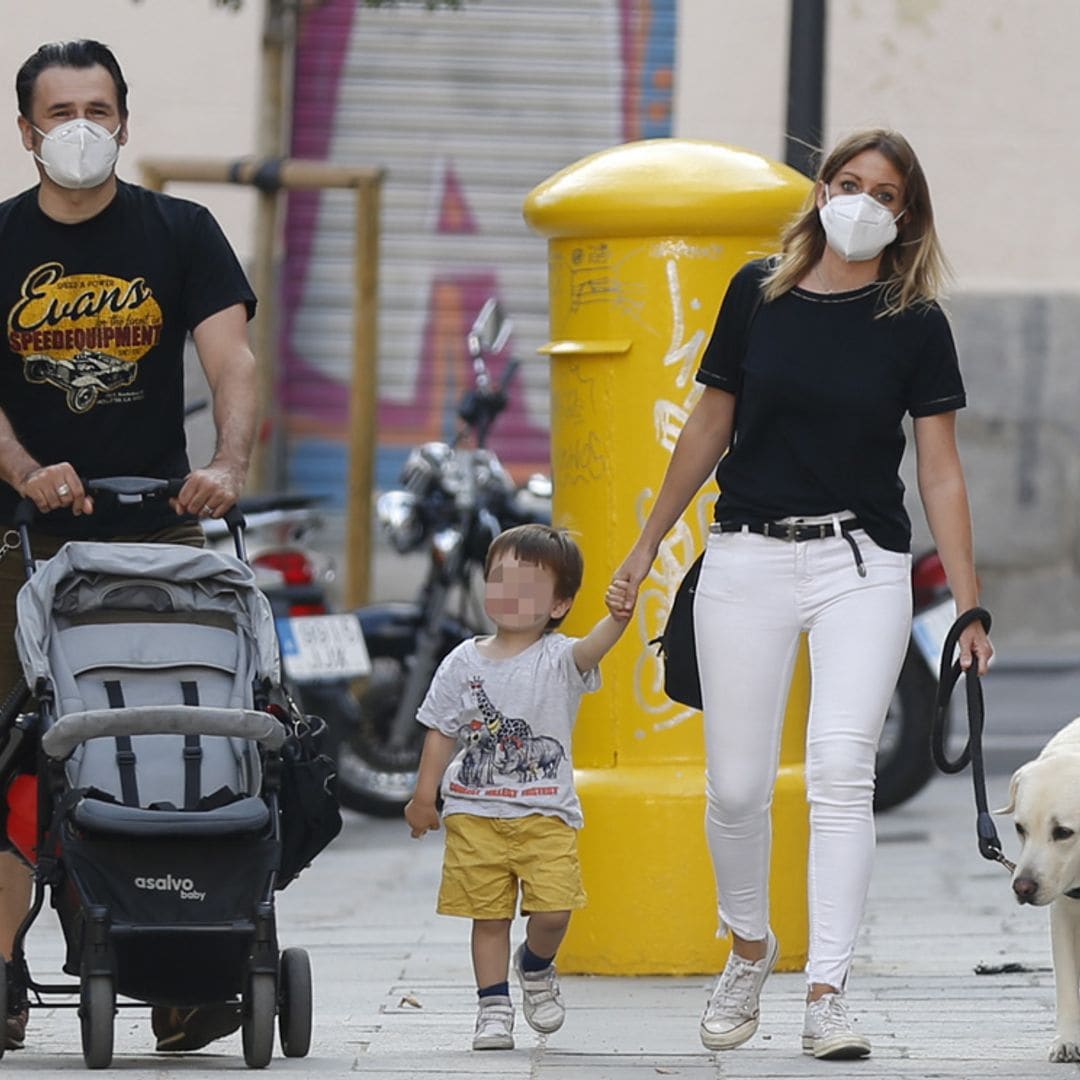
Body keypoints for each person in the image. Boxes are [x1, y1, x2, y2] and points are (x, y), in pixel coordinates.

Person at [610, 129, 993, 1061]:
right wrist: (648, 541)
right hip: (746, 557)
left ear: (907, 215)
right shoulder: (758, 293)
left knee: (839, 774)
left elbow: (939, 472)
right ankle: (749, 945)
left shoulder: (916, 321)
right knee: (737, 788)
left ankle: (828, 989)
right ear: (822, 190)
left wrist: (970, 606)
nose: (865, 201)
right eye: (851, 182)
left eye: (887, 193)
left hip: (861, 566)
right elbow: (709, 422)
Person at [0, 40, 257, 1052]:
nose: (78, 125)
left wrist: (229, 461)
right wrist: (26, 473)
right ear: (26, 131)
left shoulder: (180, 232)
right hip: (21, 537)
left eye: (96, 107)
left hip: (157, 527)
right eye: (57, 109)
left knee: (166, 737)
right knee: (18, 754)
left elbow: (231, 360)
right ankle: (6, 965)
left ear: (123, 120)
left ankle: (180, 961)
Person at [404, 523, 631, 1051]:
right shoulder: (462, 661)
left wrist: (618, 617)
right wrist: (424, 797)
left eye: (529, 586)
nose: (510, 594)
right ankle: (493, 1007)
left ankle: (534, 964)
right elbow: (441, 731)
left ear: (558, 604)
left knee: (554, 913)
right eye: (500, 580)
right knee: (489, 917)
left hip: (546, 815)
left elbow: (594, 647)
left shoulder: (559, 658)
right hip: (474, 815)